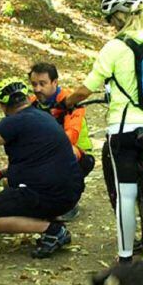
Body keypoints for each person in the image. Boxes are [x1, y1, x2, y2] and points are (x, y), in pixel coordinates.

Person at [61, 0, 143, 263]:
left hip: (124, 131)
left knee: (126, 193)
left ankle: (125, 258)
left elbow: (87, 89)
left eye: (110, 20)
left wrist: (69, 102)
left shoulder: (114, 47)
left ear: (116, 18)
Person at [0, 79, 84, 258]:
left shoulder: (14, 122)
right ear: (26, 98)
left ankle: (52, 230)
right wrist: (3, 172)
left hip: (50, 194)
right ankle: (47, 219)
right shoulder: (42, 115)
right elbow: (39, 158)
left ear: (4, 105)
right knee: (9, 186)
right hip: (70, 190)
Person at [29, 61, 96, 223]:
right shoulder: (31, 103)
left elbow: (70, 136)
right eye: (34, 84)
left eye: (42, 84)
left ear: (55, 82)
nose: (37, 89)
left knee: (65, 153)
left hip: (80, 155)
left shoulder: (70, 102)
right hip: (44, 155)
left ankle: (69, 202)